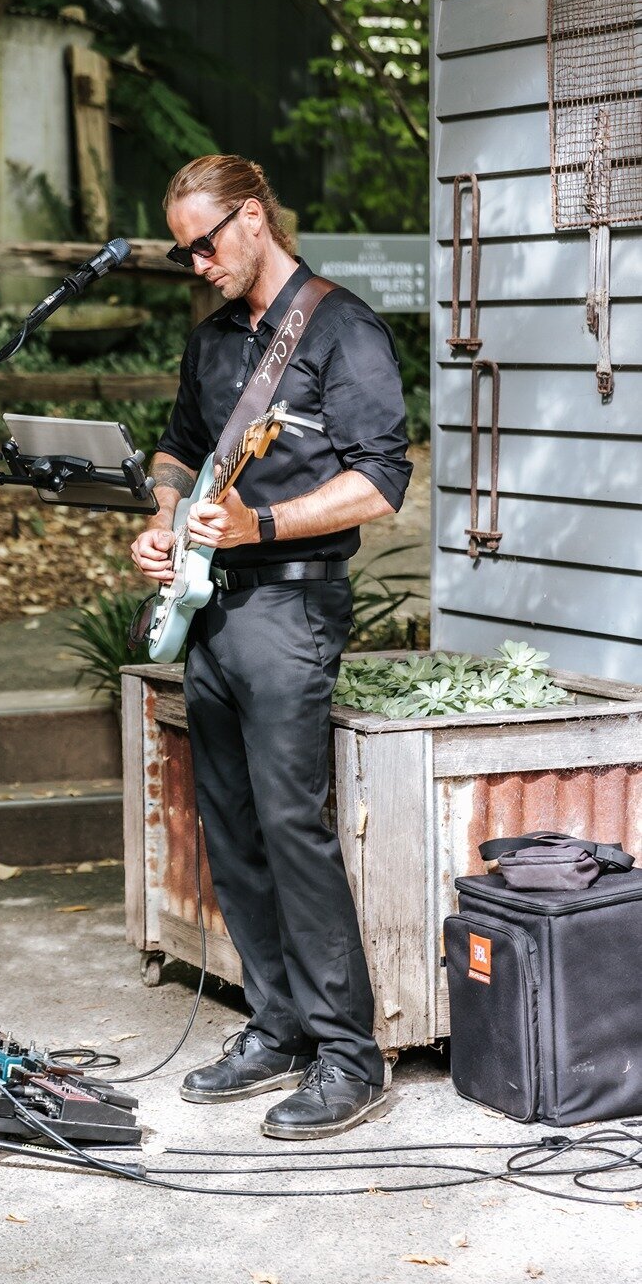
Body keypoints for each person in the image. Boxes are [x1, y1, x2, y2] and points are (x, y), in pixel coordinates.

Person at [131, 155, 412, 1140]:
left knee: (292, 824)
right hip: (210, 608)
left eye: (206, 240)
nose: (195, 260)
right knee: (232, 821)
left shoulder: (341, 328)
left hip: (292, 607)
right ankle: (280, 1023)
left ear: (255, 219)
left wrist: (267, 523)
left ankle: (352, 1055)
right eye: (182, 249)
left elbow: (382, 481)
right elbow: (175, 445)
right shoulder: (210, 343)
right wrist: (167, 515)